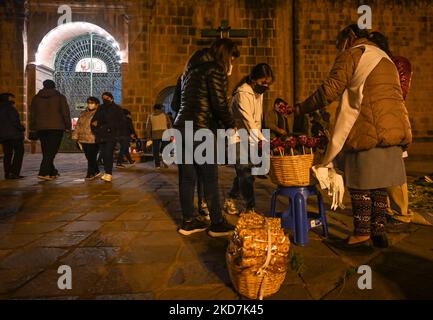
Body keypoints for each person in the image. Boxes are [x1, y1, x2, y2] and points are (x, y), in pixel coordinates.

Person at [295, 24, 412, 248]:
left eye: (339, 45)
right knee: (379, 184)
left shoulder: (355, 53)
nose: (339, 50)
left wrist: (301, 108)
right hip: (395, 127)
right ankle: (378, 231)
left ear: (349, 37)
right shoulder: (385, 57)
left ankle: (361, 235)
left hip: (369, 127)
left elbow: (328, 91)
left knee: (360, 183)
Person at [173, 38, 240, 237]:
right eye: (232, 58)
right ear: (226, 55)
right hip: (201, 129)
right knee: (210, 177)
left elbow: (176, 104)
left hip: (182, 127)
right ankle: (217, 224)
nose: (232, 64)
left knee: (186, 178)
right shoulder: (214, 69)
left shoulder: (187, 72)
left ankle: (188, 222)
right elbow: (220, 104)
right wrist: (231, 125)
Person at [369, 31, 414, 228]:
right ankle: (385, 209)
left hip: (391, 120)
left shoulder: (396, 64)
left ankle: (401, 212)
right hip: (378, 121)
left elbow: (398, 94)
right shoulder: (378, 65)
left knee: (394, 169)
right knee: (381, 169)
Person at [224, 63, 274, 216]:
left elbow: (257, 119)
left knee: (249, 172)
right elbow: (248, 121)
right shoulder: (242, 93)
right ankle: (249, 208)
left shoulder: (259, 93)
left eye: (268, 83)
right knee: (245, 169)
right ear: (253, 80)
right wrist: (263, 142)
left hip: (251, 135)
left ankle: (231, 197)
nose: (265, 86)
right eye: (262, 82)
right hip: (237, 135)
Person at [29, 80, 71, 181]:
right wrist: (68, 126)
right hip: (56, 127)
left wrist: (33, 126)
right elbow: (65, 113)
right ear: (54, 86)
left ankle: (52, 171)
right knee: (52, 151)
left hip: (41, 128)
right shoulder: (60, 97)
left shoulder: (36, 98)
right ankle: (44, 172)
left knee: (46, 150)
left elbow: (32, 114)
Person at [91, 92, 126, 182]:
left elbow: (121, 122)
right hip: (101, 134)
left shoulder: (117, 109)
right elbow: (94, 120)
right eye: (103, 98)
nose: (105, 100)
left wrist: (112, 128)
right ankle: (107, 172)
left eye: (106, 98)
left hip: (111, 135)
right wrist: (96, 129)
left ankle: (109, 173)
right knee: (104, 154)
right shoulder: (101, 108)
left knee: (108, 153)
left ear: (111, 98)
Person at [71, 97, 101, 180]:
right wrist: (75, 136)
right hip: (83, 138)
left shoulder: (100, 113)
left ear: (97, 104)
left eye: (92, 103)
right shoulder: (83, 113)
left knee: (91, 157)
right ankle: (96, 171)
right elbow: (78, 125)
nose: (90, 104)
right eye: (88, 102)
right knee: (89, 156)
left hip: (93, 138)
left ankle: (90, 173)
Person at [0, 93, 25, 179]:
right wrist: (22, 128)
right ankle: (14, 172)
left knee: (7, 154)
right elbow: (15, 122)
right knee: (19, 152)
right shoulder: (11, 109)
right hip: (14, 135)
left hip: (3, 136)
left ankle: (7, 173)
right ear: (8, 99)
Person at [145, 104, 172, 168]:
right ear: (160, 108)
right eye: (162, 108)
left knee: (155, 150)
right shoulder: (165, 115)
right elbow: (169, 124)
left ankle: (157, 164)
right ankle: (165, 162)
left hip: (155, 134)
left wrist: (148, 136)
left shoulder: (150, 116)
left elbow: (148, 127)